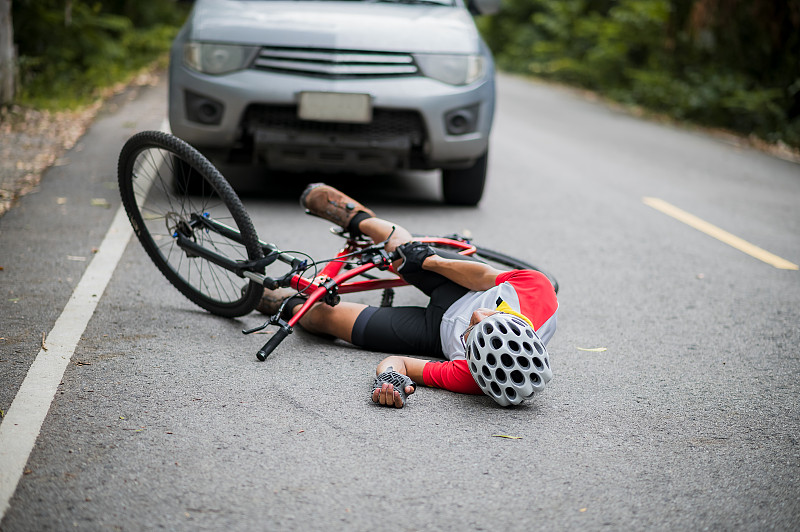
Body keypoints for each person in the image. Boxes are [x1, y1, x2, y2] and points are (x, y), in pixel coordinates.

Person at [258, 183, 559, 408]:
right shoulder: (536, 290)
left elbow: (399, 362)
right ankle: (355, 217)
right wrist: (430, 262)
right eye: (489, 317)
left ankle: (284, 303)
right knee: (401, 251)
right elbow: (482, 276)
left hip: (432, 332)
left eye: (471, 333)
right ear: (519, 324)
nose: (475, 317)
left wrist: (388, 380)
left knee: (322, 317)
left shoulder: (472, 378)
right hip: (464, 287)